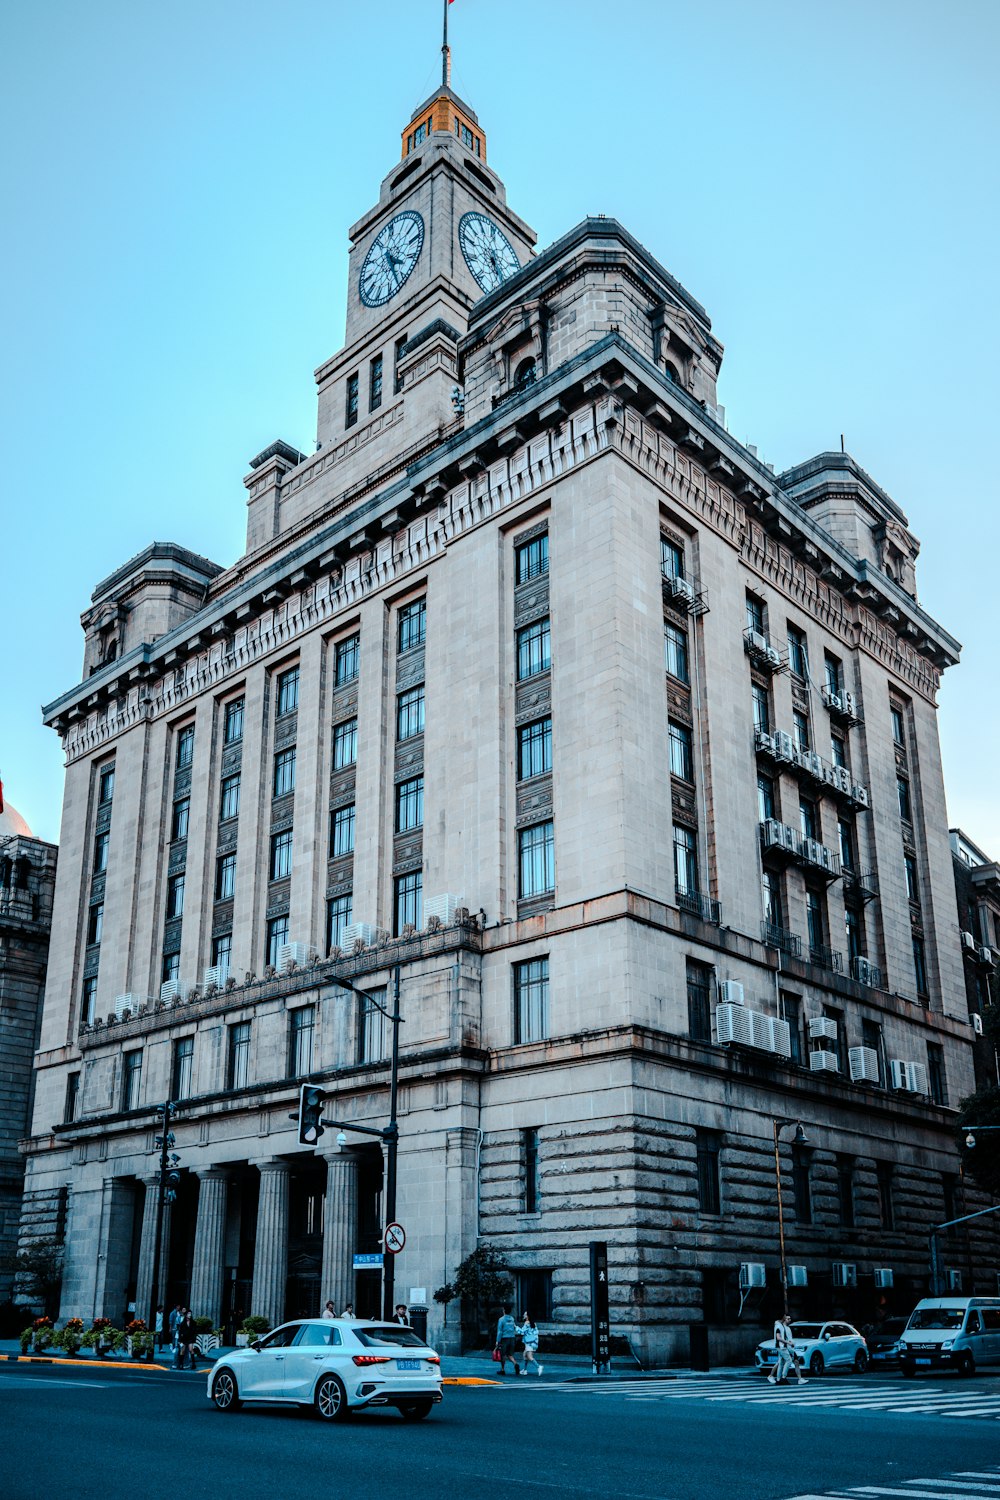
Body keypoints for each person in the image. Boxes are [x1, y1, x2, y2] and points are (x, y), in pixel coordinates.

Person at [769, 1313, 806, 1385]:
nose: (789, 1320)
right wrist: (788, 1343)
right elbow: (779, 1338)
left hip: (784, 1346)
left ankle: (779, 1379)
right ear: (783, 1319)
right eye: (787, 1318)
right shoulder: (779, 1327)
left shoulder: (782, 1327)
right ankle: (782, 1377)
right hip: (782, 1346)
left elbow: (784, 1337)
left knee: (781, 1363)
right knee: (788, 1360)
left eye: (789, 1318)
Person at [495, 1305, 520, 1376]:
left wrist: (497, 1341)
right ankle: (515, 1363)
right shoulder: (512, 1319)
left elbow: (500, 1331)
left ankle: (502, 1369)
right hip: (512, 1338)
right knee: (510, 1354)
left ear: (504, 1310)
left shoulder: (501, 1319)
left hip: (504, 1339)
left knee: (502, 1355)